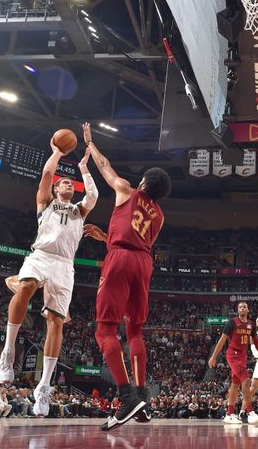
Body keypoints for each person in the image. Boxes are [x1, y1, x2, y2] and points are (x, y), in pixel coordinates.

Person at [0, 138, 97, 419]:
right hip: (41, 256)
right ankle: (8, 352)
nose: (68, 184)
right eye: (63, 183)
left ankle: (43, 386)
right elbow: (45, 175)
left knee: (55, 322)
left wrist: (84, 169)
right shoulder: (45, 203)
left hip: (65, 267)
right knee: (27, 285)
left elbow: (93, 196)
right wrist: (56, 153)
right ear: (55, 189)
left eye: (70, 183)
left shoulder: (80, 210)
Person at [81, 122, 172, 431]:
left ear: (144, 182)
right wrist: (103, 237)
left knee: (105, 330)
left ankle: (126, 396)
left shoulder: (126, 189)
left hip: (120, 258)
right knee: (135, 332)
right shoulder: (160, 216)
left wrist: (90, 144)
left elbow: (104, 167)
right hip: (143, 262)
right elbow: (137, 240)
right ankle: (142, 393)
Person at [208, 302, 258, 424]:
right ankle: (250, 412)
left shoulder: (251, 324)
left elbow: (256, 342)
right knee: (246, 380)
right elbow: (222, 340)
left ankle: (229, 414)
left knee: (235, 385)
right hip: (233, 355)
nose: (242, 308)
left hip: (243, 356)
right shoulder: (232, 322)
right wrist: (213, 356)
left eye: (244, 307)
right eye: (240, 307)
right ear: (238, 310)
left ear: (248, 309)